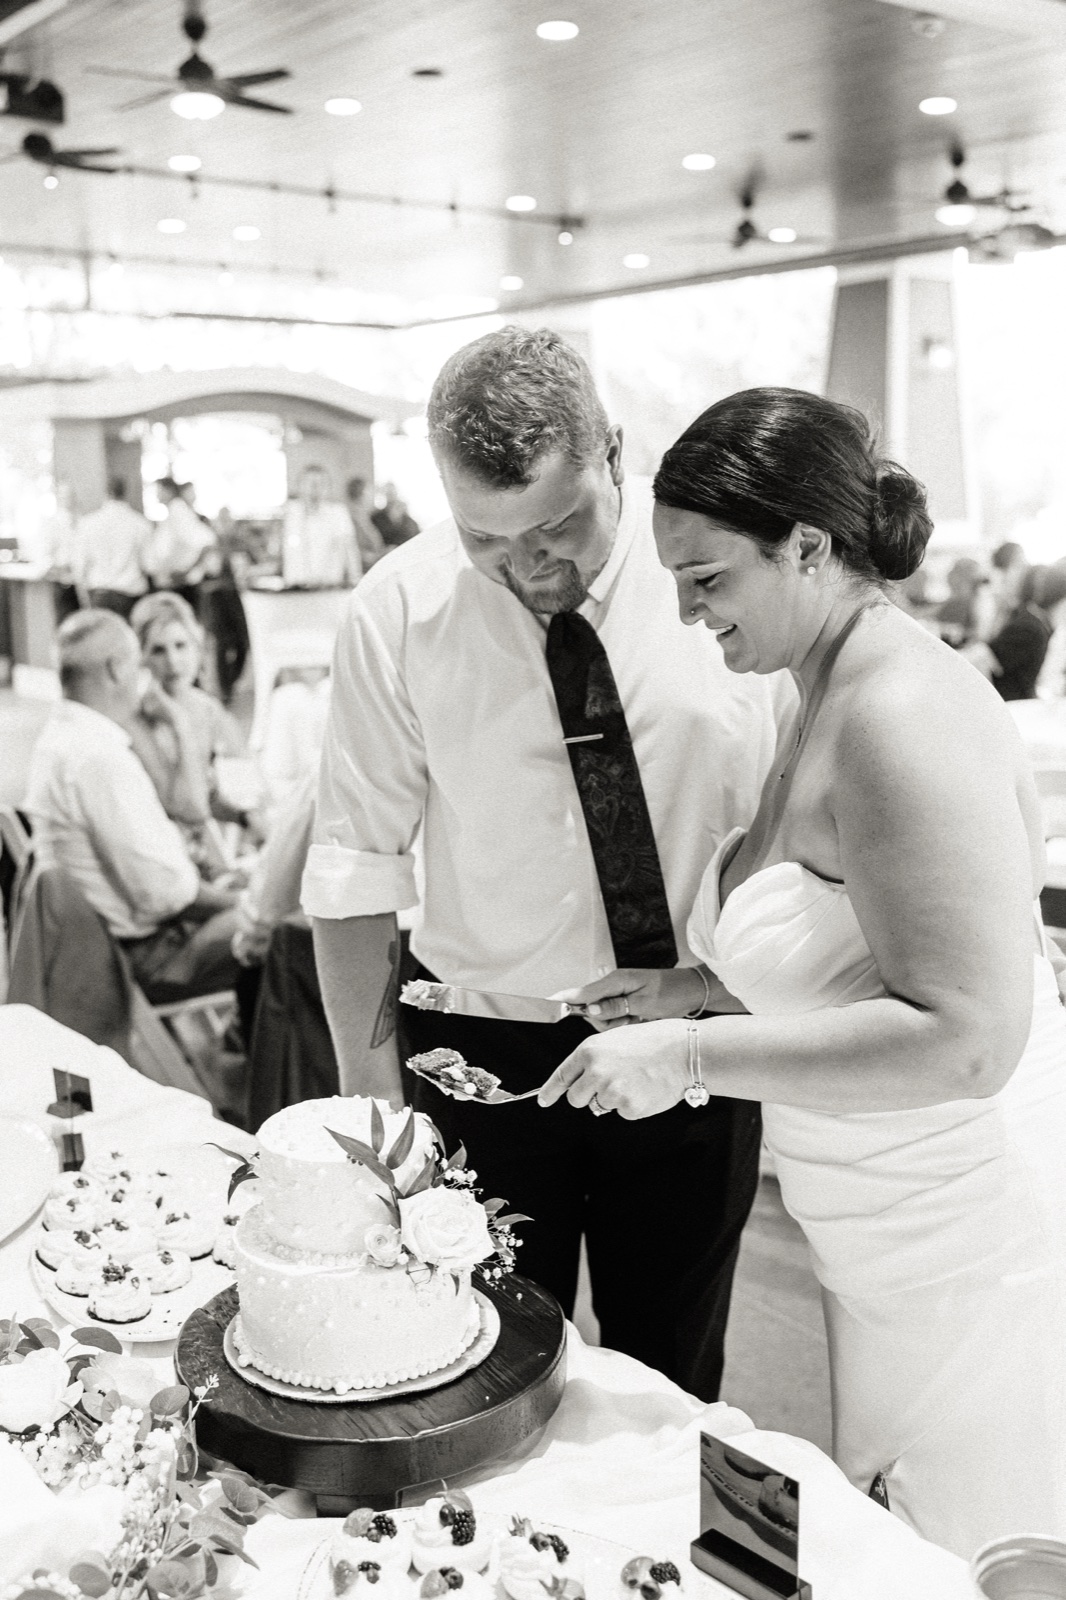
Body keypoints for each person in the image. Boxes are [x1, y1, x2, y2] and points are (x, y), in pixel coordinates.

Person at [540, 387, 1066, 1558]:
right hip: (872, 1227)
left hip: (971, 1235)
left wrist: (686, 1055)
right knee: (900, 1531)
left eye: (709, 578)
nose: (685, 613)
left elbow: (968, 1035)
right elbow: (847, 955)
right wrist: (698, 989)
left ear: (811, 548)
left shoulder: (899, 714)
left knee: (986, 1548)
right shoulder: (810, 684)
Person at [303, 327, 792, 1402]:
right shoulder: (399, 609)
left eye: (559, 525)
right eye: (487, 536)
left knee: (670, 1375)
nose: (531, 566)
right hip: (477, 1055)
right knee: (474, 1370)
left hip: (689, 1040)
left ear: (614, 452)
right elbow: (354, 869)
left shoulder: (725, 585)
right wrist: (373, 1108)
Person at [24, 609, 243, 1005]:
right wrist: (248, 903)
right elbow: (165, 896)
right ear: (116, 669)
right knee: (290, 928)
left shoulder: (60, 740)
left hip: (98, 946)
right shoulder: (98, 757)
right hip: (146, 960)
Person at [127, 592, 254, 852]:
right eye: (158, 650)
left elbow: (211, 794)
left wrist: (246, 818)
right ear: (142, 657)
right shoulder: (135, 718)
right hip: (154, 845)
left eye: (180, 645)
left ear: (197, 646)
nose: (173, 662)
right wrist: (180, 724)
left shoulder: (208, 709)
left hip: (197, 840)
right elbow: (188, 808)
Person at [69, 477, 151, 620]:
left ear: (106, 492)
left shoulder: (88, 523)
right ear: (125, 492)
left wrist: (83, 600)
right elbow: (149, 564)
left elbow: (79, 566)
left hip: (98, 594)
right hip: (130, 593)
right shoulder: (140, 524)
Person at [142, 478, 219, 607]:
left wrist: (187, 571)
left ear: (169, 491)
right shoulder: (172, 513)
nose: (156, 495)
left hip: (180, 586)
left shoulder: (179, 511)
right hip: (169, 583)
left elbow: (207, 543)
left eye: (158, 491)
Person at [281, 465, 362, 588]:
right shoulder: (290, 513)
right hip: (294, 590)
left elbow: (350, 550)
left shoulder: (338, 513)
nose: (315, 489)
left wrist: (355, 580)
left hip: (328, 588)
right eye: (310, 483)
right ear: (299, 486)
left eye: (321, 484)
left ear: (328, 488)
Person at [346, 476, 386, 570]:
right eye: (370, 491)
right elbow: (353, 549)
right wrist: (377, 556)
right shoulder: (351, 517)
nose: (372, 494)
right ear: (362, 493)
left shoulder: (365, 516)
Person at [370, 481, 420, 549]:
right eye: (388, 493)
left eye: (393, 492)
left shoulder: (409, 521)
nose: (391, 495)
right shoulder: (376, 517)